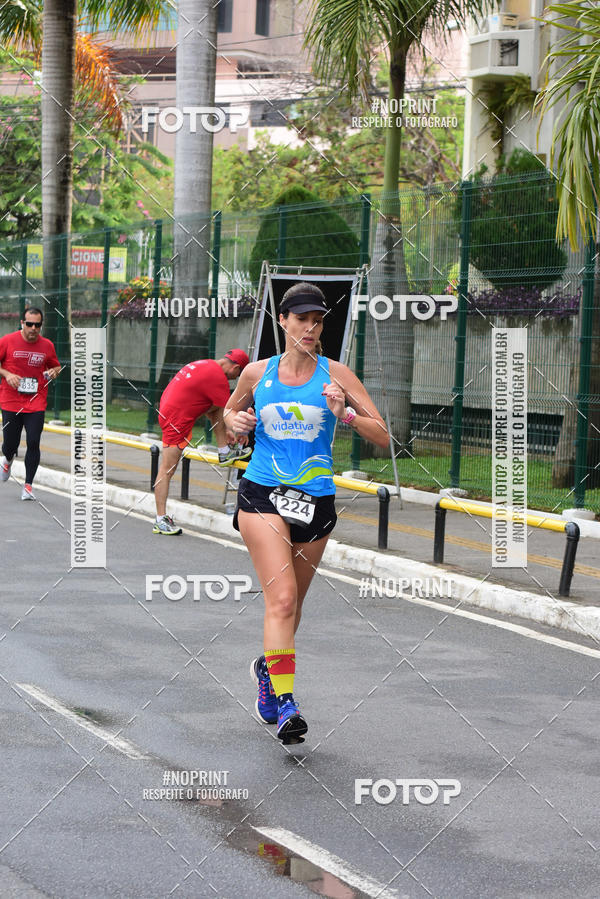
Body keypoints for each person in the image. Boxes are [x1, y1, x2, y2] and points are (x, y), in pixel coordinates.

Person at [225, 283, 389, 744]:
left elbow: (383, 437)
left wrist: (347, 414)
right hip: (262, 491)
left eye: (318, 321)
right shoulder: (258, 374)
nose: (311, 328)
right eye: (302, 319)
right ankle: (286, 704)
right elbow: (229, 416)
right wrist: (235, 423)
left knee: (292, 604)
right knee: (279, 600)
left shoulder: (337, 375)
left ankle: (265, 667)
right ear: (284, 321)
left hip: (315, 498)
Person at [153, 349, 251, 535]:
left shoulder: (206, 365)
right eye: (238, 375)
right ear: (236, 368)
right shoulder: (218, 379)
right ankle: (160, 519)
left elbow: (210, 407)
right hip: (176, 420)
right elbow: (229, 411)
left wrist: (227, 432)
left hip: (169, 410)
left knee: (215, 409)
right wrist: (238, 432)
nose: (235, 379)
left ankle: (224, 451)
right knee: (167, 470)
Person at [0, 307, 61, 500]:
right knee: (10, 443)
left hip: (36, 401)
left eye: (37, 325)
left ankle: (28, 486)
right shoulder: (7, 341)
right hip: (10, 400)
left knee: (34, 441)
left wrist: (54, 372)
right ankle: (8, 459)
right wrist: (7, 374)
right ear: (22, 323)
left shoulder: (47, 345)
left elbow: (55, 365)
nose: (33, 328)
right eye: (29, 324)